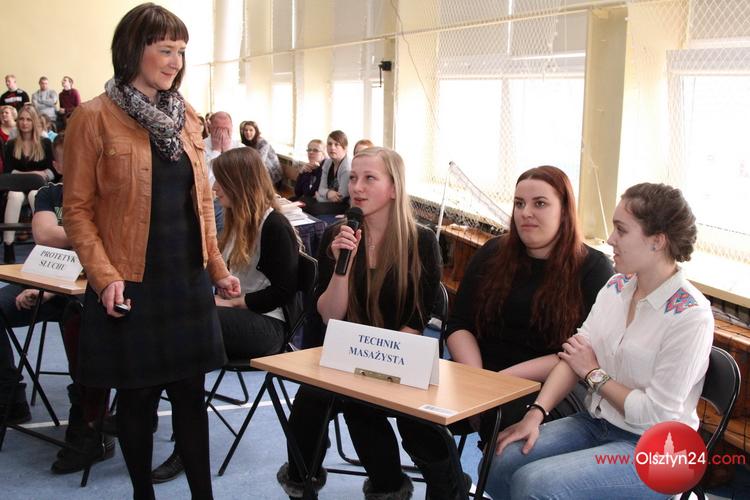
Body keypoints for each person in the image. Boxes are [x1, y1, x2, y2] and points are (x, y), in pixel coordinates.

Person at [63, 4, 241, 499]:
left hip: (186, 282)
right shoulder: (92, 118)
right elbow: (76, 211)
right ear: (132, 49)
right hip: (130, 283)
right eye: (165, 50)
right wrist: (104, 276)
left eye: (181, 51)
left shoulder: (186, 115)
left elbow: (201, 203)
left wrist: (217, 267)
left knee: (191, 399)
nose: (175, 62)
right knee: (137, 400)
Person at [485, 183, 714, 499]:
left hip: (659, 450)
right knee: (500, 459)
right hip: (597, 422)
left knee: (536, 484)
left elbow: (655, 415)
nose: (610, 239)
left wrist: (594, 374)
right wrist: (535, 414)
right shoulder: (616, 286)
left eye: (621, 230)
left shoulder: (690, 315)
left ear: (657, 241)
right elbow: (574, 356)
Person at [278, 147, 468, 500]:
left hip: (399, 356)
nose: (357, 187)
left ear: (394, 188)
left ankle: (433, 486)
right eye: (353, 178)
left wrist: (374, 366)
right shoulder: (338, 234)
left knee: (369, 406)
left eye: (369, 178)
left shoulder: (421, 241)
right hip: (345, 356)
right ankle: (306, 485)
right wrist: (343, 268)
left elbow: (415, 323)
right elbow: (329, 315)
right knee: (310, 402)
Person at [152, 146, 301, 483]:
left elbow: (283, 292)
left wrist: (233, 304)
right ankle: (172, 428)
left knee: (186, 329)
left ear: (240, 183)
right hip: (241, 317)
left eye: (220, 182)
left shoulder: (274, 225)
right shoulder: (235, 220)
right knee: (175, 326)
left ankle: (180, 441)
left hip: (268, 326)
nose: (215, 188)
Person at [445, 166, 613, 439]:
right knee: (418, 413)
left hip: (550, 382)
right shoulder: (492, 252)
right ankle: (446, 470)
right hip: (478, 369)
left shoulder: (593, 268)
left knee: (503, 417)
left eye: (540, 204)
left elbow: (581, 352)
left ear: (564, 211)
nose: (526, 212)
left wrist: (500, 383)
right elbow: (459, 324)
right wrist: (479, 380)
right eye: (519, 203)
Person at [0, 132, 114, 473]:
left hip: (86, 289)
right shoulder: (50, 193)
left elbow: (108, 244)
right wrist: (86, 235)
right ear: (58, 165)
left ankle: (90, 421)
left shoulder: (107, 195)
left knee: (78, 315)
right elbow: (44, 235)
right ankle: (10, 395)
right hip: (45, 280)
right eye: (70, 161)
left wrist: (73, 244)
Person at [3, 105, 56, 263]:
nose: (24, 123)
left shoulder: (45, 143)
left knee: (35, 194)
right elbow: (8, 171)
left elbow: (52, 170)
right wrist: (33, 174)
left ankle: (43, 245)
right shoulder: (11, 144)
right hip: (16, 188)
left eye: (28, 119)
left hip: (38, 188)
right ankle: (8, 245)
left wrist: (40, 176)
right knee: (14, 196)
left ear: (34, 122)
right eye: (21, 119)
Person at [204, 110, 242, 234]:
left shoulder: (240, 147)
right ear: (209, 128)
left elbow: (240, 178)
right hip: (211, 200)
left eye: (226, 129)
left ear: (232, 128)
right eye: (218, 129)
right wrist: (215, 152)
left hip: (237, 198)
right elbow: (203, 179)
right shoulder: (201, 146)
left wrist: (227, 153)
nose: (222, 134)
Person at [304, 130, 351, 219]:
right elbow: (321, 188)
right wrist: (328, 193)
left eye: (336, 144)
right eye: (329, 144)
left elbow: (340, 197)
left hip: (343, 204)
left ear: (345, 148)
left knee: (314, 208)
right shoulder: (327, 163)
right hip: (328, 199)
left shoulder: (346, 168)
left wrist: (320, 197)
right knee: (304, 200)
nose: (332, 148)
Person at [240, 120, 282, 186]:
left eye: (251, 130)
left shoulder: (263, 142)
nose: (248, 132)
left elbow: (259, 162)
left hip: (273, 177)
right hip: (260, 172)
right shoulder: (246, 143)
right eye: (246, 130)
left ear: (256, 131)